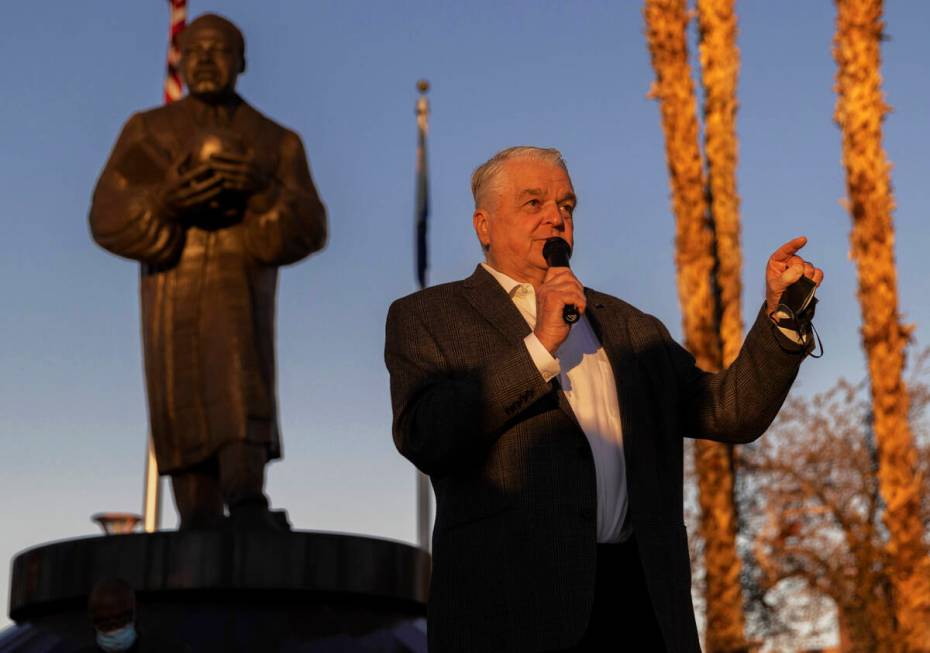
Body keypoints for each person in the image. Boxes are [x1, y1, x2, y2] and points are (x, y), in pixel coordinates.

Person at [384, 146, 822, 652]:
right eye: (534, 203)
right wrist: (539, 346)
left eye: (567, 206)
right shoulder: (429, 317)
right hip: (509, 613)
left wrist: (782, 320)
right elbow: (426, 434)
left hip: (641, 606)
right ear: (484, 225)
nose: (556, 216)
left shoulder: (630, 327)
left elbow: (730, 410)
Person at [89, 14, 327, 530]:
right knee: (177, 400)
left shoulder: (275, 141)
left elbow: (312, 224)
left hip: (240, 291)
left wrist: (263, 190)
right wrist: (164, 200)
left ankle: (246, 500)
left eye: (218, 50)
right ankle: (194, 520)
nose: (203, 59)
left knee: (241, 385)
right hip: (171, 288)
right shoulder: (147, 131)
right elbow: (105, 214)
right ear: (179, 58)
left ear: (241, 62)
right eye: (193, 49)